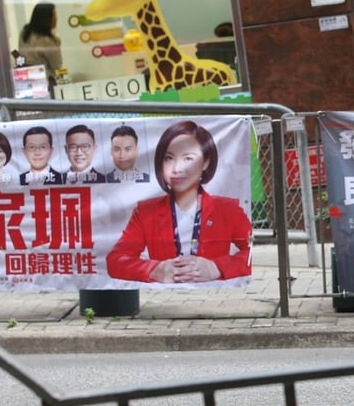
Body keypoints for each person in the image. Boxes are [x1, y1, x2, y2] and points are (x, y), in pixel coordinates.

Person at [107, 120, 252, 283]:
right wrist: (154, 270)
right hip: (163, 299)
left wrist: (216, 267)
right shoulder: (146, 212)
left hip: (215, 298)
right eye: (169, 158)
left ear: (206, 162)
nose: (177, 168)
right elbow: (115, 260)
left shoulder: (228, 209)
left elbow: (253, 254)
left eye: (188, 158)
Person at [18, 2, 63, 97]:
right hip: (44, 84)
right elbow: (57, 65)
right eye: (54, 15)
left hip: (24, 82)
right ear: (47, 18)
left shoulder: (25, 33)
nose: (56, 18)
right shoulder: (47, 40)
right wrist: (57, 45)